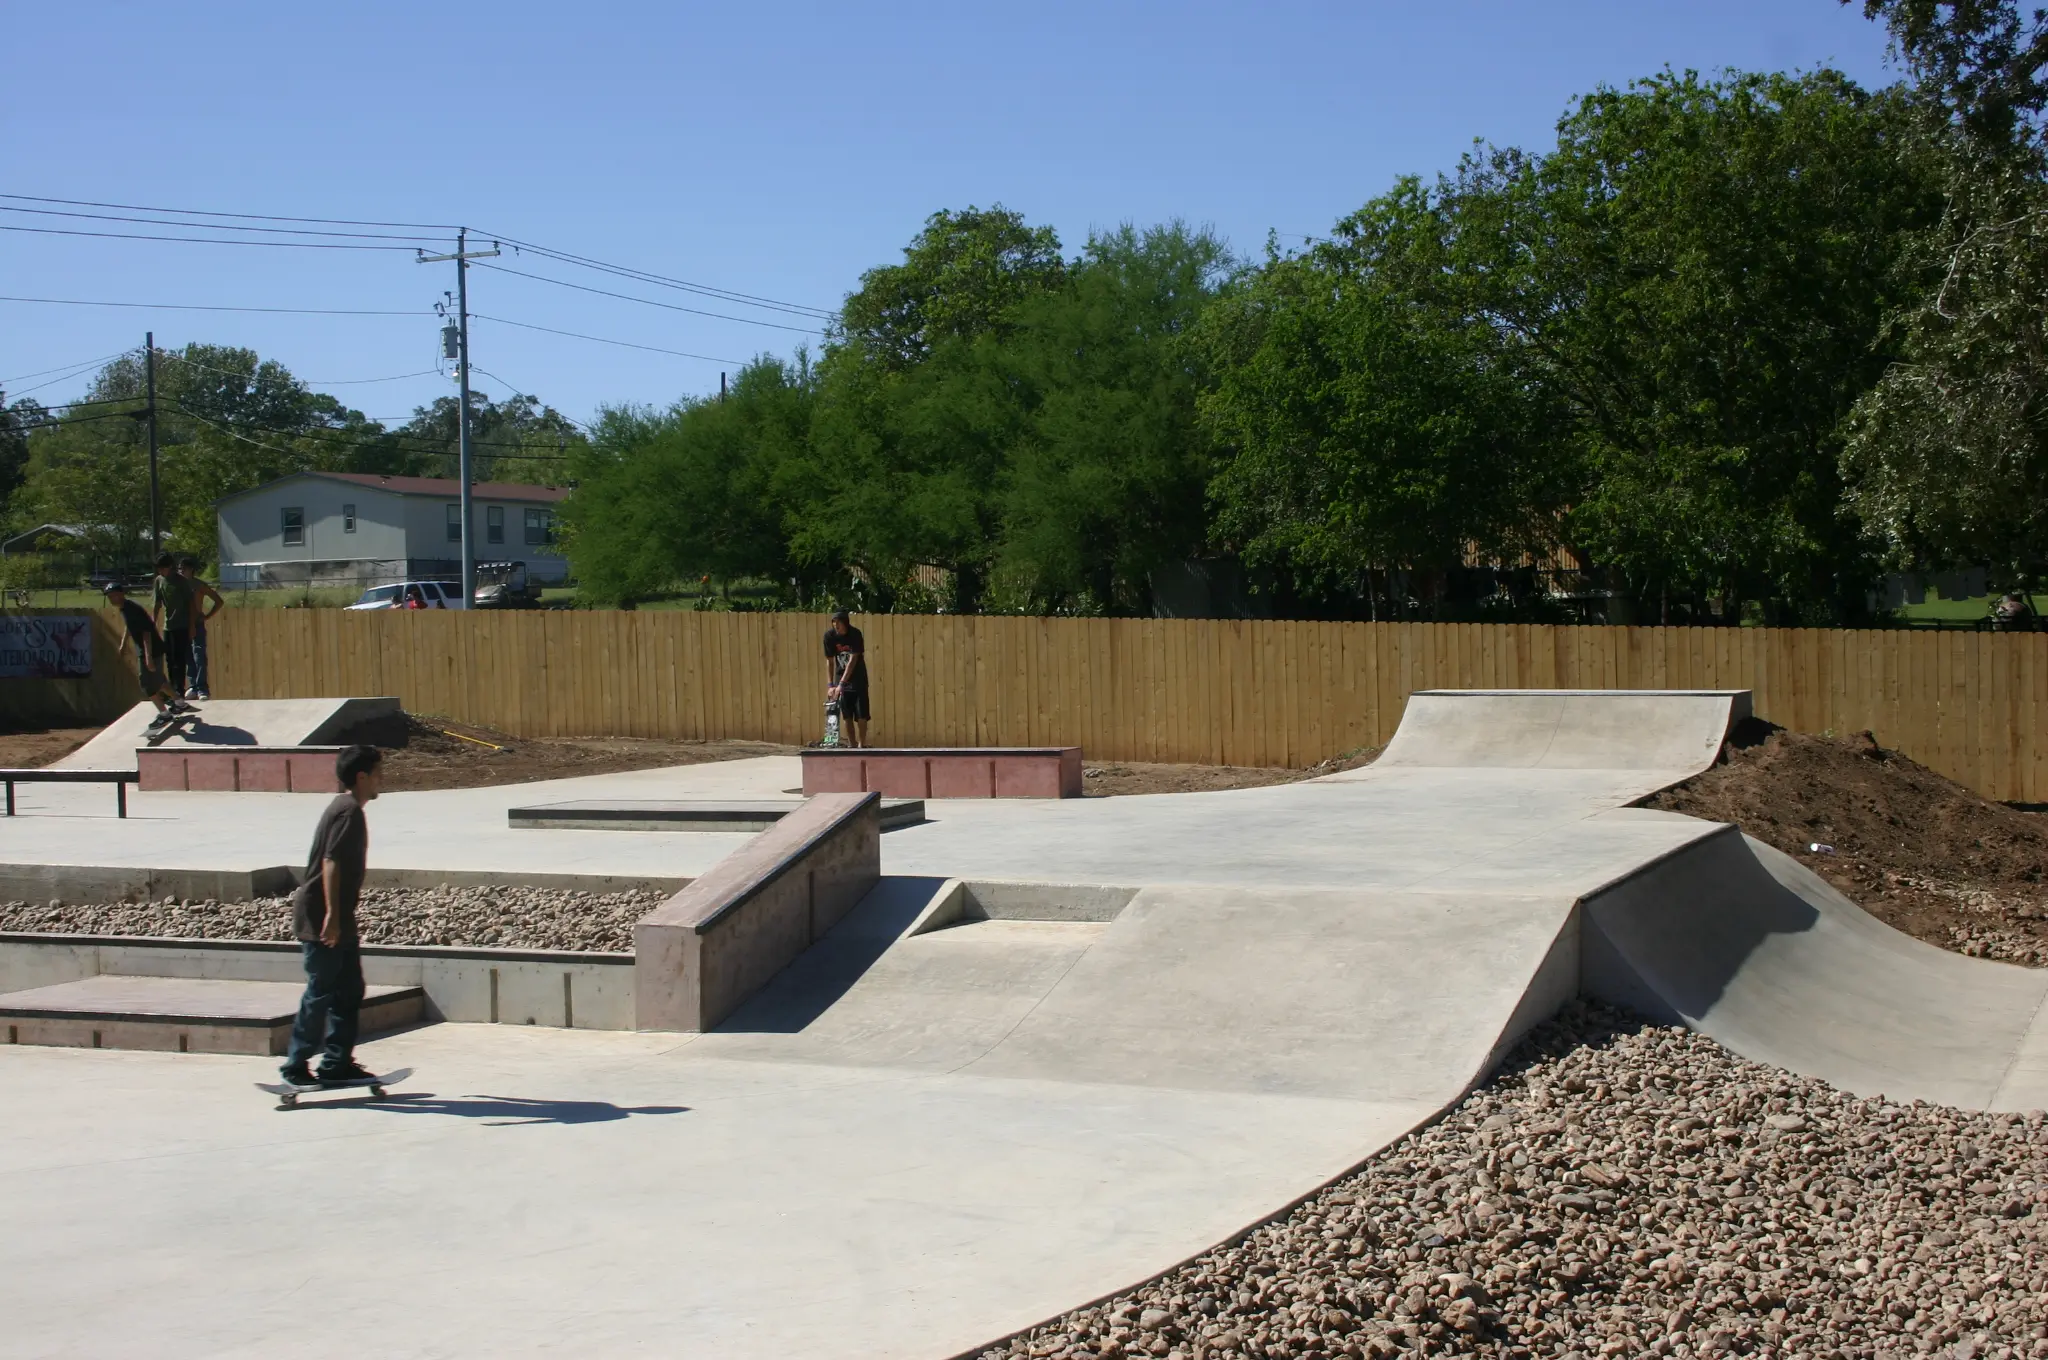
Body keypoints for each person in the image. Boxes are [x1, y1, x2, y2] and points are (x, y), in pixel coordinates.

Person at [281, 744, 384, 1087]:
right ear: (361, 776)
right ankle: (295, 1066)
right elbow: (331, 862)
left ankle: (337, 1062)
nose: (382, 779)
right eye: (378, 773)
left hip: (338, 917)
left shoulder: (349, 809)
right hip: (322, 917)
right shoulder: (347, 811)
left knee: (350, 990)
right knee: (321, 991)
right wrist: (333, 917)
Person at [105, 582, 190, 730]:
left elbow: (146, 633)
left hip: (150, 650)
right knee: (160, 680)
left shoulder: (131, 610)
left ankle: (164, 714)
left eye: (114, 595)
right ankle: (179, 703)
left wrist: (148, 657)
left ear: (121, 594)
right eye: (109, 597)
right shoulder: (126, 608)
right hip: (152, 649)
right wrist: (124, 643)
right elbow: (130, 626)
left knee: (146, 685)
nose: (112, 599)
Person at [823, 608, 870, 748]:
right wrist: (831, 685)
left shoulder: (855, 634)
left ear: (845, 623)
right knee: (846, 714)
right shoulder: (829, 637)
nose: (836, 626)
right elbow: (830, 661)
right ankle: (852, 745)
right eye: (834, 622)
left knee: (862, 714)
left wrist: (842, 684)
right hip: (840, 678)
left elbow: (853, 660)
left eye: (839, 622)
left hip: (858, 677)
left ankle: (862, 744)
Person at [150, 552, 195, 698]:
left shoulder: (181, 581)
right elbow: (157, 603)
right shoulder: (159, 581)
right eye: (158, 569)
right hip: (167, 626)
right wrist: (153, 623)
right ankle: (172, 692)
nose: (160, 571)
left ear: (170, 566)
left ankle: (179, 690)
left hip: (181, 625)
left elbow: (191, 604)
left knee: (179, 659)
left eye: (162, 568)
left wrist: (192, 626)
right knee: (169, 659)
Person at [178, 556, 223, 699]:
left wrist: (207, 616)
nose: (181, 571)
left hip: (197, 622)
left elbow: (218, 601)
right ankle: (193, 686)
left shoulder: (198, 585)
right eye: (180, 568)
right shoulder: (177, 585)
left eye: (184, 568)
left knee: (199, 655)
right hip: (182, 624)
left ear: (191, 570)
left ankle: (202, 688)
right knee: (187, 655)